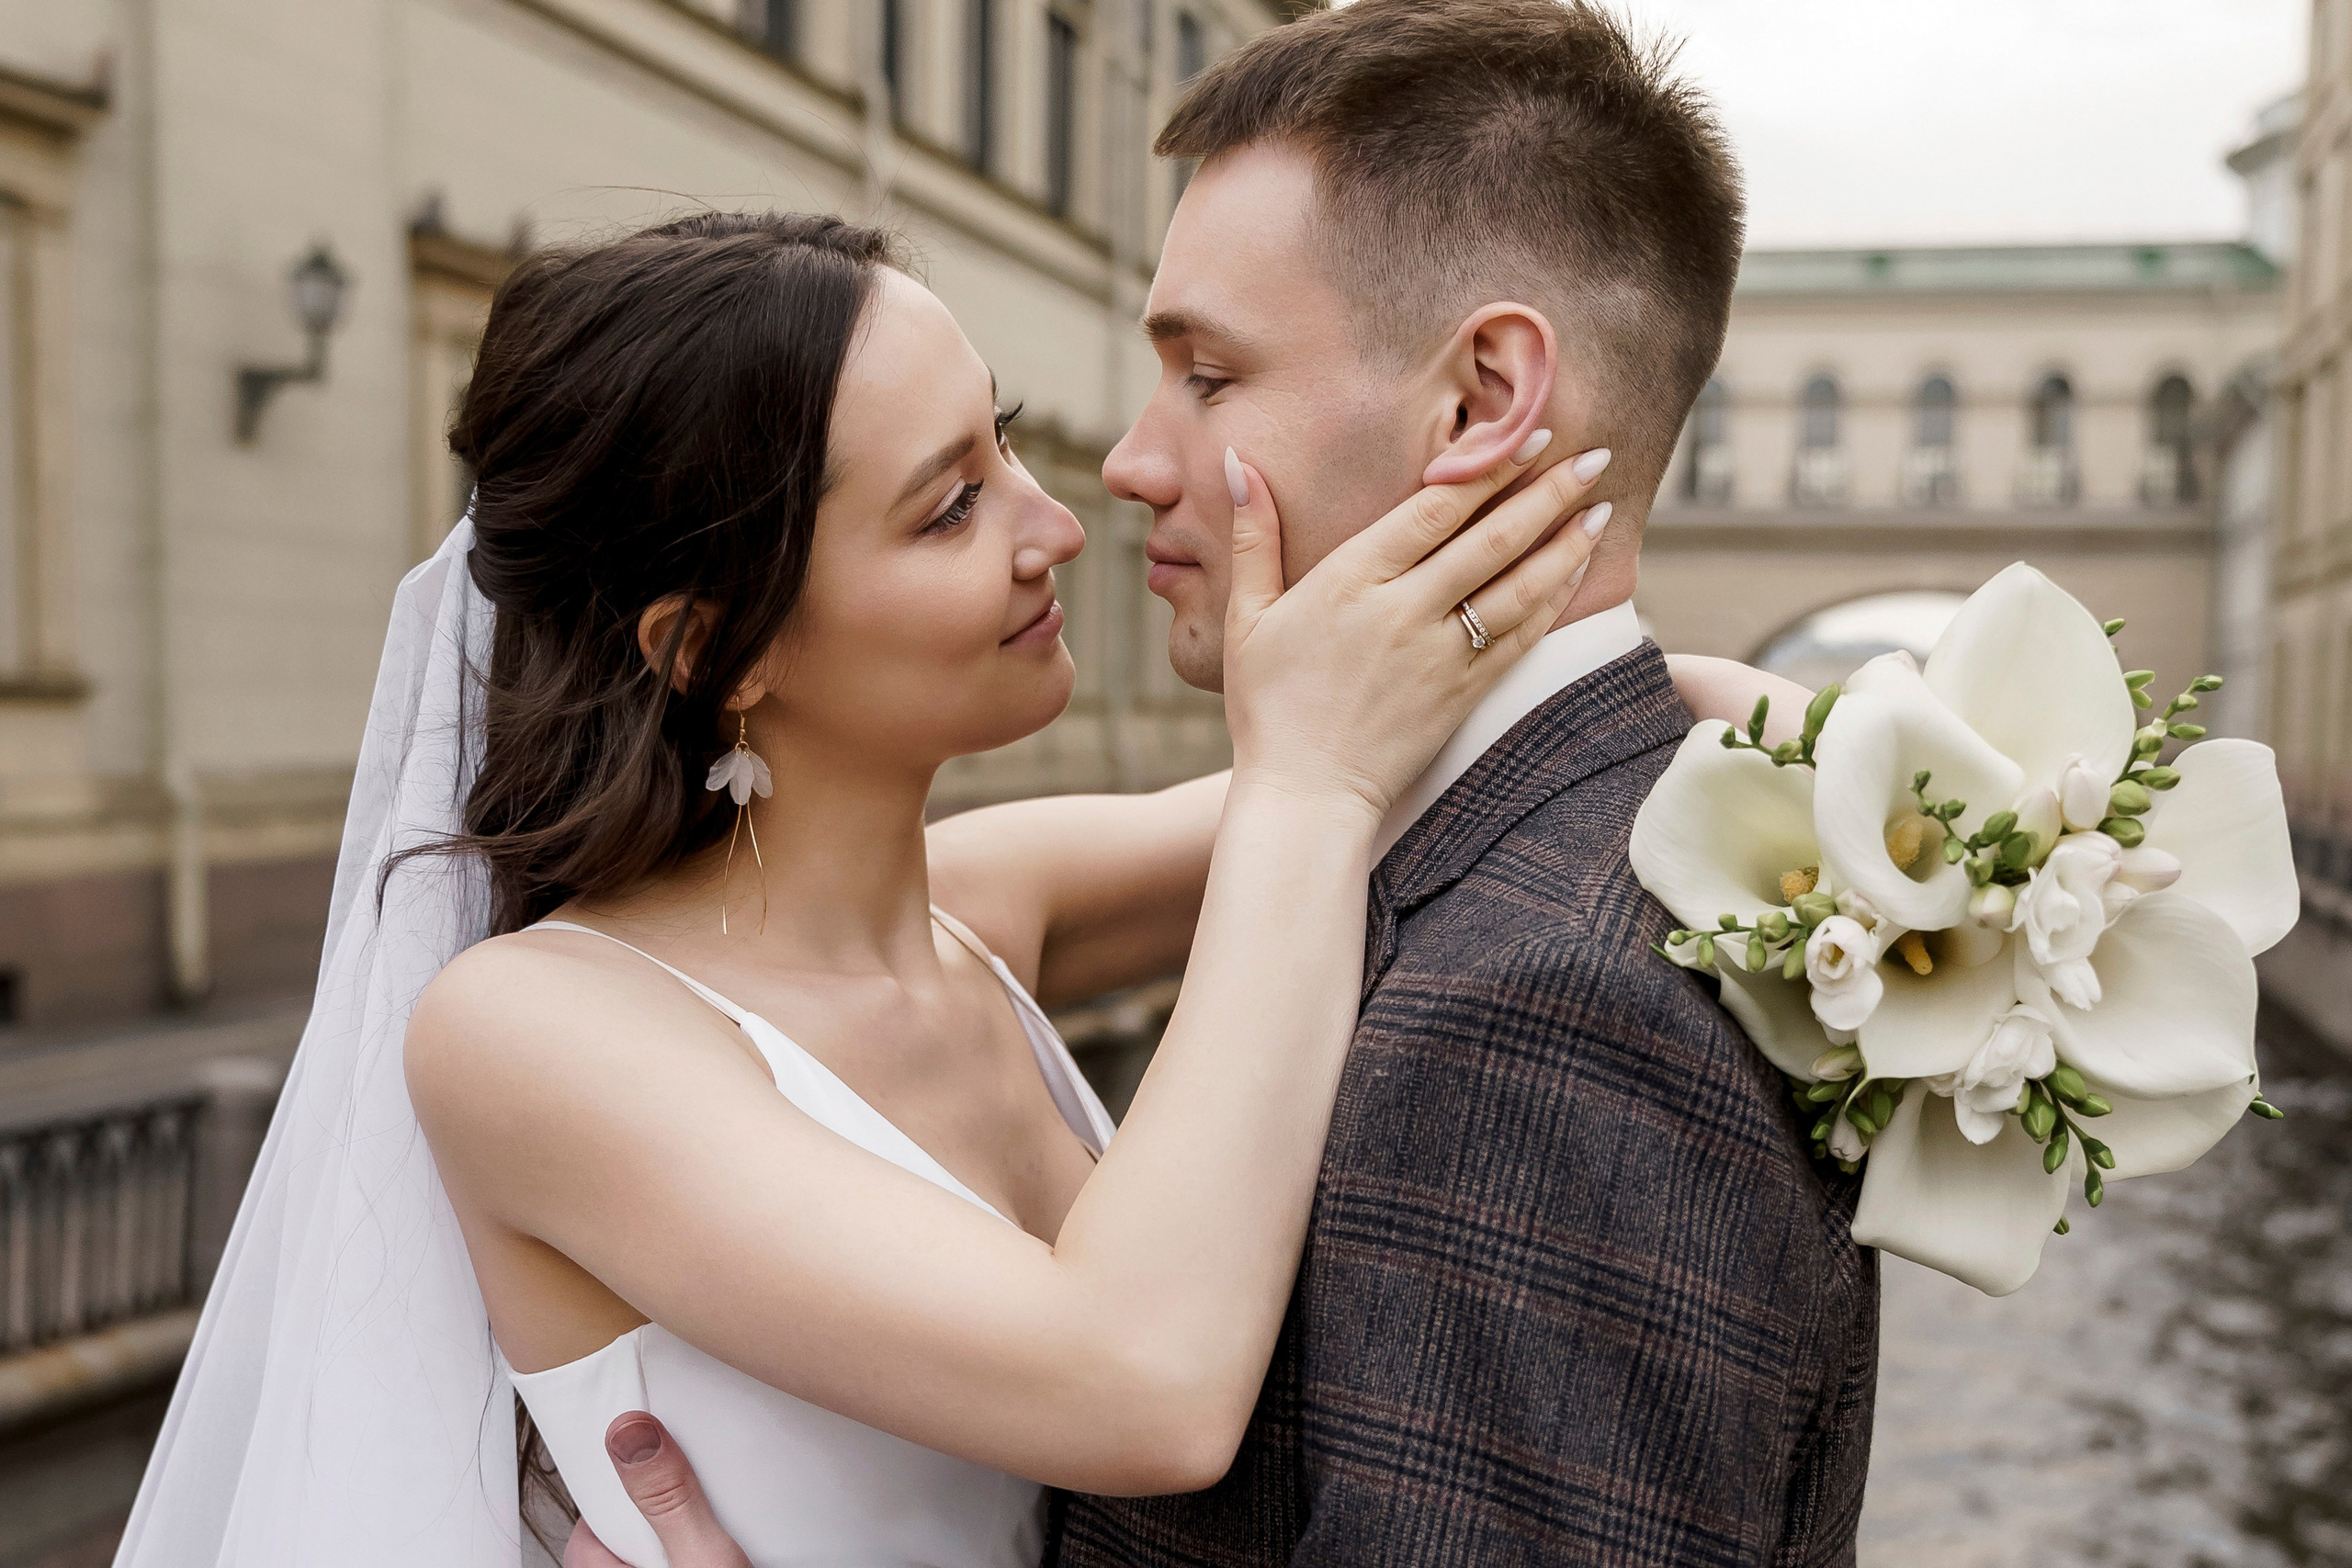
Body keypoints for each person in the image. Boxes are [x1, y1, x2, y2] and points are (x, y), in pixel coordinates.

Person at [119, 205, 1735, 1568]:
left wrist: (1881, 777)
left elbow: (1476, 739)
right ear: (718, 648)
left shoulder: (987, 904)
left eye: (1008, 442)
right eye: (952, 503)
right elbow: (1149, 1388)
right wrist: (1308, 777)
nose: (1057, 526)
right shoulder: (530, 1034)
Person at [567, 3, 1869, 1563]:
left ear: (1478, 401)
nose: (1112, 473)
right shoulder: (1568, 852)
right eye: (949, 500)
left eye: (1208, 371)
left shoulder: (1537, 1006)